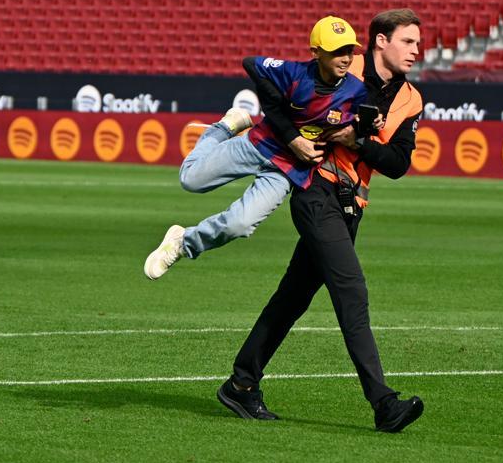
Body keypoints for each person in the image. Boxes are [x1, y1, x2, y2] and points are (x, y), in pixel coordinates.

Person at [215, 8, 427, 433]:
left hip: (351, 207)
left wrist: (359, 141)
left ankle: (241, 383)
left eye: (418, 43)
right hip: (316, 191)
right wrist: (293, 139)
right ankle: (383, 403)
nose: (416, 51)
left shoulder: (411, 100)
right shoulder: (342, 63)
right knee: (352, 292)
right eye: (408, 41)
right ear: (381, 41)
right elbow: (283, 94)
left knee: (292, 298)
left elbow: (399, 163)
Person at [143, 16, 367, 279]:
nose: (345, 58)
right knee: (190, 180)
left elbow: (364, 131)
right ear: (316, 53)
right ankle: (224, 128)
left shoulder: (357, 92)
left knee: (240, 225)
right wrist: (292, 136)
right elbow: (251, 63)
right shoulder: (294, 73)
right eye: (336, 51)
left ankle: (183, 243)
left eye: (349, 50)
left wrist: (361, 130)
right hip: (259, 144)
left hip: (286, 172)